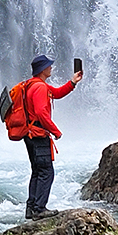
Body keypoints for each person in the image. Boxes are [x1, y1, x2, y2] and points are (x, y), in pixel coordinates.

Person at [23, 53, 83, 220]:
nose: (51, 67)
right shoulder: (40, 87)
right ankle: (39, 209)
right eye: (49, 65)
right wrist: (55, 131)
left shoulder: (32, 85)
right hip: (38, 134)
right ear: (42, 69)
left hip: (29, 134)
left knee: (37, 171)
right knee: (46, 172)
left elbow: (56, 93)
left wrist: (72, 82)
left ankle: (31, 208)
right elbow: (41, 112)